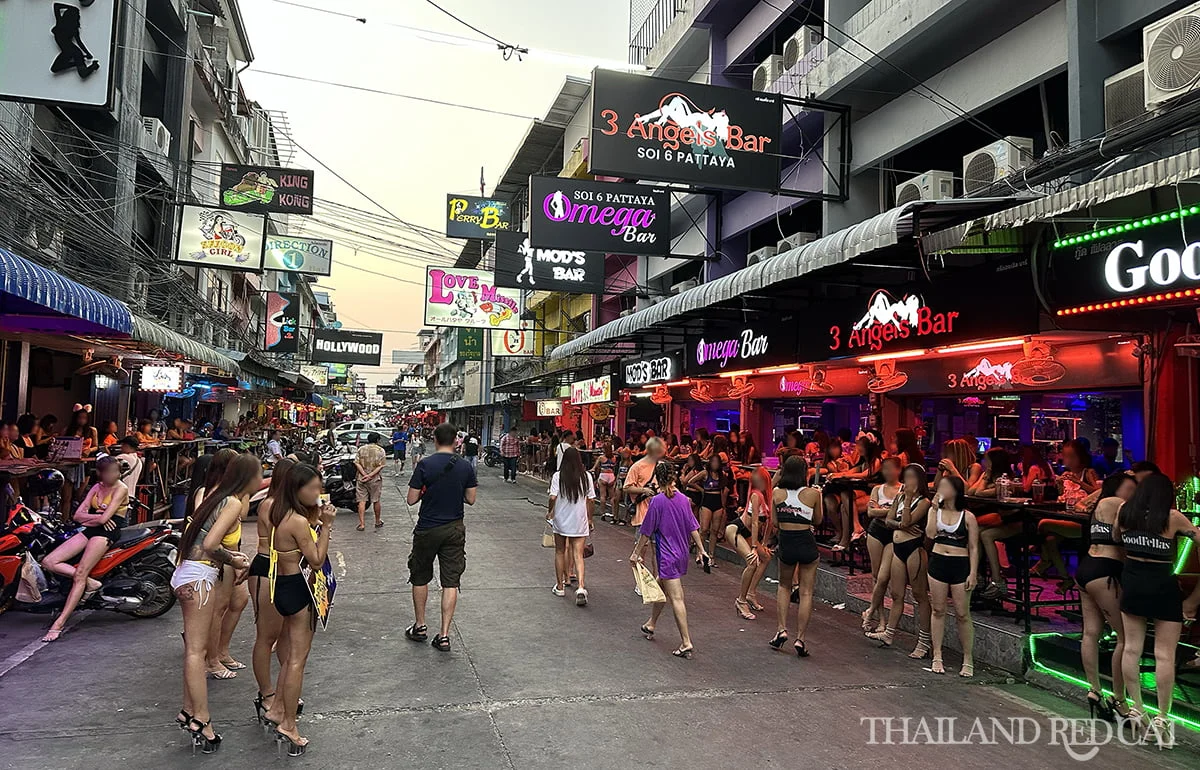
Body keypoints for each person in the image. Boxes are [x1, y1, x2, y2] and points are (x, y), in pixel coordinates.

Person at [171, 454, 261, 754]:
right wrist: (234, 558)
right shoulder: (233, 502)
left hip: (188, 572)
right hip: (199, 577)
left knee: (194, 651)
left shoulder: (216, 495)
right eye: (259, 473)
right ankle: (202, 719)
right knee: (197, 652)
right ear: (247, 476)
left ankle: (188, 710)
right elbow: (211, 545)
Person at [1115, 472, 1200, 742]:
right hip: (1162, 584)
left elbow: (1117, 538)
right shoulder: (1172, 517)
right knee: (1164, 654)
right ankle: (1162, 717)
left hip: (1133, 580)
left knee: (1131, 647)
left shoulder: (1124, 512)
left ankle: (1138, 710)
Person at [259, 463, 335, 756]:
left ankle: (278, 708)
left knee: (290, 653)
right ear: (298, 489)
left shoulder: (279, 513)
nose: (319, 493)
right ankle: (289, 724)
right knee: (296, 661)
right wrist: (326, 526)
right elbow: (315, 559)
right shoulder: (297, 521)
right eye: (314, 488)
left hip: (283, 584)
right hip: (298, 590)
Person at [39, 456, 130, 641]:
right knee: (48, 561)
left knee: (80, 574)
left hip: (107, 533)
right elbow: (77, 515)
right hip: (91, 529)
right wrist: (96, 517)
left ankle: (59, 623)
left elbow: (105, 520)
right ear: (101, 473)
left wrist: (95, 517)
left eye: (116, 471)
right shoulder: (97, 487)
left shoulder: (121, 488)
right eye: (109, 472)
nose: (114, 475)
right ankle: (91, 583)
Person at [405, 423, 478, 651]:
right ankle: (444, 635)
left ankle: (420, 626)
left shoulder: (425, 464)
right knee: (450, 581)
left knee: (420, 576)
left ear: (435, 440)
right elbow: (471, 499)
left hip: (427, 528)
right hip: (454, 529)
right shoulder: (465, 466)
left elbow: (411, 499)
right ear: (456, 440)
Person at [631, 461, 709, 659]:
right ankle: (651, 623)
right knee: (660, 587)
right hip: (681, 553)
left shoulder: (657, 501)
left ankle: (686, 641)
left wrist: (636, 553)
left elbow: (646, 531)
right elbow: (693, 527)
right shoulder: (683, 499)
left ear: (657, 478)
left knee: (676, 598)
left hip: (667, 555)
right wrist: (701, 550)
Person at [1076, 472, 1135, 722]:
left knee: (1091, 633)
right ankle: (1118, 697)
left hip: (1087, 567)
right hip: (1105, 572)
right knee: (1125, 637)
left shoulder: (1100, 503)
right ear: (1117, 487)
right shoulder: (1117, 504)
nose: (1133, 494)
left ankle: (1094, 690)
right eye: (1130, 488)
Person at [868, 463, 932, 660]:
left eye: (912, 478)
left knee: (919, 595)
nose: (908, 482)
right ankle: (889, 632)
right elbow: (889, 520)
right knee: (897, 594)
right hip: (898, 547)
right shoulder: (900, 497)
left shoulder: (923, 501)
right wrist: (900, 521)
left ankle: (924, 641)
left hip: (914, 548)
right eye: (906, 477)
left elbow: (906, 521)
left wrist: (909, 500)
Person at [250, 458, 295, 727]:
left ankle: (282, 691)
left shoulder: (290, 505)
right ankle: (266, 693)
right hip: (269, 568)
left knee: (287, 633)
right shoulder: (271, 504)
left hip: (287, 570)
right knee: (267, 636)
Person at [925, 474, 980, 677]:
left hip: (960, 563)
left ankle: (967, 657)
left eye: (946, 486)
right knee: (938, 609)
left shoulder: (968, 517)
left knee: (962, 613)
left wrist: (973, 572)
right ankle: (937, 654)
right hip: (938, 561)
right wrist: (934, 509)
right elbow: (930, 534)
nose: (942, 489)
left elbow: (974, 547)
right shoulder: (935, 511)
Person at [768, 456, 822, 657]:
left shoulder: (777, 493)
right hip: (806, 540)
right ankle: (801, 638)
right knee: (806, 592)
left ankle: (781, 629)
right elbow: (818, 520)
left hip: (787, 541)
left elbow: (774, 522)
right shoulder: (813, 493)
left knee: (784, 585)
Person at [549, 447, 595, 605]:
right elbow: (591, 500)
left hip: (561, 520)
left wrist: (550, 512)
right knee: (578, 554)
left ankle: (560, 586)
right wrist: (589, 519)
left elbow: (553, 497)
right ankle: (581, 587)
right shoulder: (586, 476)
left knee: (560, 551)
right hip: (579, 520)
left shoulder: (558, 476)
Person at [861, 457, 902, 634]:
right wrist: (890, 511)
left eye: (890, 468)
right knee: (876, 575)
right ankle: (881, 619)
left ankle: (870, 611)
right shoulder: (878, 489)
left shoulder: (903, 490)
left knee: (885, 577)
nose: (887, 472)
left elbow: (900, 515)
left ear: (899, 470)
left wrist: (883, 511)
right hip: (876, 530)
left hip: (894, 534)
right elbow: (871, 512)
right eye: (884, 469)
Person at [354, 434, 387, 531]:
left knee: (361, 501)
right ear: (377, 440)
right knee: (376, 500)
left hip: (361, 478)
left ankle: (362, 524)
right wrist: (370, 475)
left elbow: (356, 462)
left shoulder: (361, 449)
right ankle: (377, 521)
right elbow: (380, 466)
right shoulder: (380, 450)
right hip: (375, 479)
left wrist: (364, 474)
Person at [591, 444, 617, 520]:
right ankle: (614, 514)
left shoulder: (601, 458)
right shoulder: (614, 458)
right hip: (611, 476)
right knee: (612, 497)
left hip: (603, 475)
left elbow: (594, 468)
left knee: (603, 496)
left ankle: (603, 513)